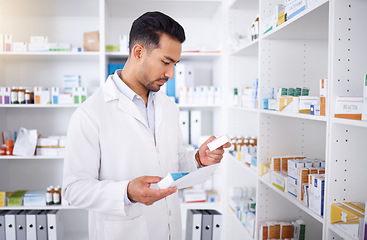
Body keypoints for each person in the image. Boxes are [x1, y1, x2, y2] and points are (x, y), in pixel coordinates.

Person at [62, 11, 230, 240]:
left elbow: (172, 162)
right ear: (138, 52)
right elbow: (74, 189)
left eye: (175, 64)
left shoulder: (168, 106)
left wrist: (198, 159)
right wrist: (126, 192)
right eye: (165, 62)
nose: (171, 73)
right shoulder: (91, 113)